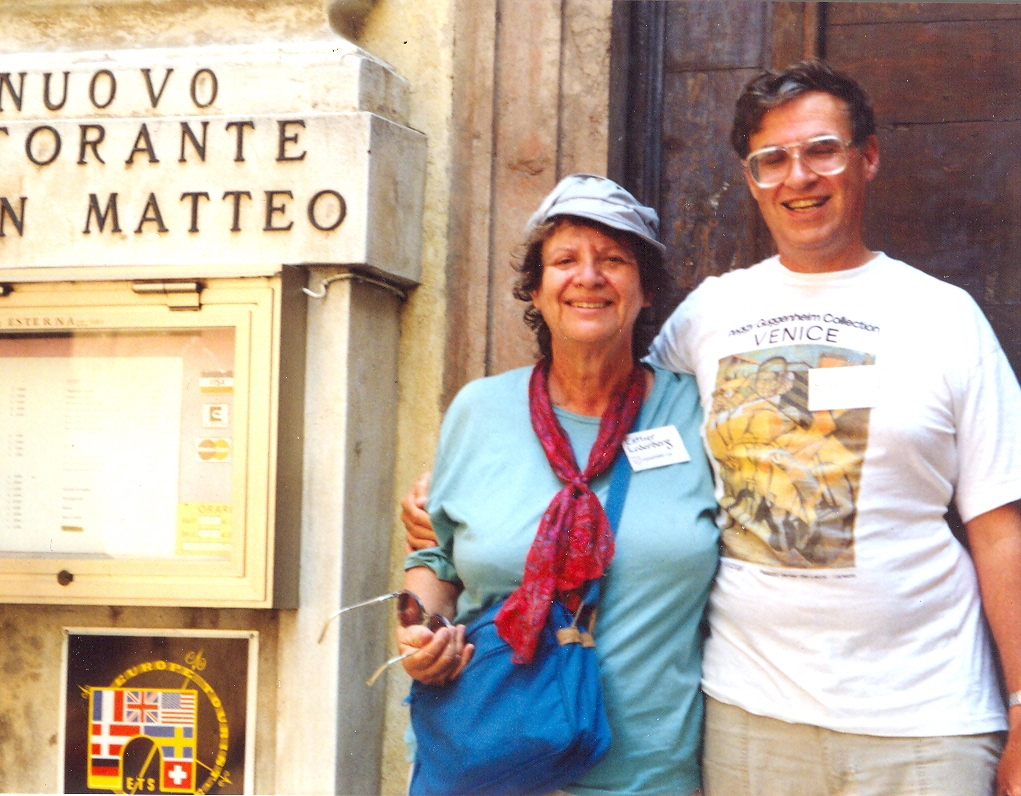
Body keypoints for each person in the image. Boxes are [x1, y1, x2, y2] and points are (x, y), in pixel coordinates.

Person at [404, 60, 1021, 795]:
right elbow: (576, 422)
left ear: (867, 156)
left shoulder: (945, 316)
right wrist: (433, 523)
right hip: (746, 714)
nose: (799, 176)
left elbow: (1000, 529)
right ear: (751, 176)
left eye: (821, 149)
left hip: (923, 715)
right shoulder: (707, 316)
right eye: (772, 159)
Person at [397, 173, 719, 796]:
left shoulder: (696, 412)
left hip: (645, 777)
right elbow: (434, 557)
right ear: (538, 292)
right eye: (565, 260)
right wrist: (418, 630)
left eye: (614, 260)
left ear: (646, 289)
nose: (589, 277)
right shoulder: (480, 410)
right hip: (487, 765)